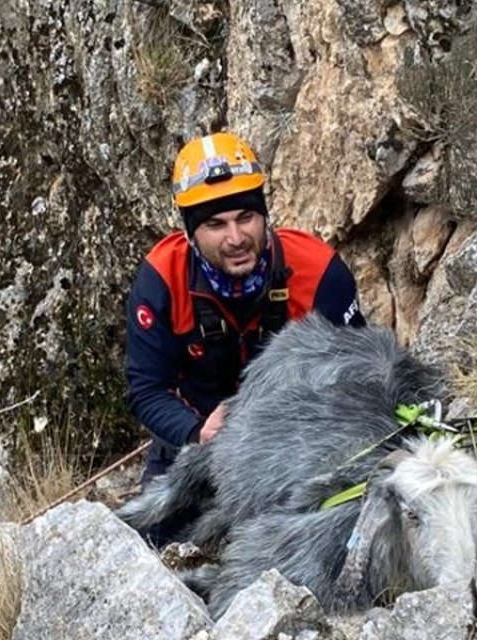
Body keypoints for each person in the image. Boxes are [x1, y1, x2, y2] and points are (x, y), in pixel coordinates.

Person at [125, 132, 367, 486]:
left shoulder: (319, 273)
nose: (236, 238)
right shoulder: (162, 280)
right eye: (215, 224)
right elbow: (146, 389)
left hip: (299, 444)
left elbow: (357, 375)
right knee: (156, 535)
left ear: (264, 216)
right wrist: (196, 431)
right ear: (191, 232)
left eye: (246, 217)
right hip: (199, 441)